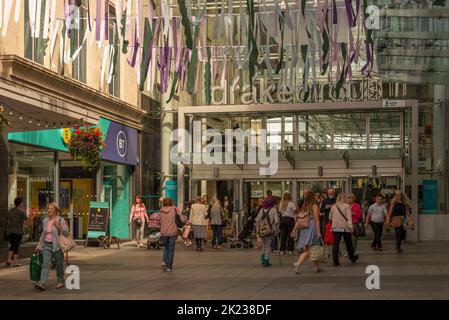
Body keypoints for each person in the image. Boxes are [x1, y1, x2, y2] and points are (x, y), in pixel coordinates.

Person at [34, 202, 69, 291]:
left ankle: (61, 281)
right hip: (46, 245)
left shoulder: (60, 220)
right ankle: (42, 283)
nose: (49, 210)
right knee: (45, 264)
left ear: (56, 211)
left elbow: (66, 232)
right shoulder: (45, 220)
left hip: (57, 246)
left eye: (51, 209)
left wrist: (58, 226)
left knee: (58, 265)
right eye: (48, 208)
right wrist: (39, 245)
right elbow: (43, 233)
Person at [292, 192, 322, 274]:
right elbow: (317, 220)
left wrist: (294, 229)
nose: (316, 197)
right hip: (311, 227)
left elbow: (299, 220)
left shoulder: (303, 207)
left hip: (303, 229)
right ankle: (298, 265)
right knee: (309, 250)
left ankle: (317, 267)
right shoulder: (314, 206)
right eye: (315, 196)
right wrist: (319, 232)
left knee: (310, 249)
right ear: (313, 197)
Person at [329, 193, 359, 266]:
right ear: (344, 198)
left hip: (335, 227)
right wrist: (351, 227)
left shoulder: (333, 206)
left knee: (335, 245)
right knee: (348, 244)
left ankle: (335, 261)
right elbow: (349, 218)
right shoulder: (347, 206)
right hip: (345, 228)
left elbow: (330, 217)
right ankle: (352, 258)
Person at [159, 197, 185, 272]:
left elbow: (159, 220)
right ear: (171, 202)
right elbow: (182, 219)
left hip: (164, 232)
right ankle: (169, 267)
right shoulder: (174, 209)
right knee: (171, 249)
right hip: (172, 232)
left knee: (166, 248)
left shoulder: (161, 210)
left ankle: (164, 262)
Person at [255, 197, 280, 267]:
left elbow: (257, 220)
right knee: (268, 245)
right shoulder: (273, 209)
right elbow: (277, 220)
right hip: (270, 230)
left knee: (264, 245)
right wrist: (276, 228)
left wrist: (258, 229)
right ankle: (266, 259)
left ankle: (263, 259)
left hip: (262, 230)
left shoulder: (262, 210)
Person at [5, 197, 28, 267]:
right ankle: (11, 261)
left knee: (13, 245)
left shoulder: (10, 210)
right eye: (22, 202)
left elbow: (8, 220)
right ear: (20, 203)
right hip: (18, 231)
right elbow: (26, 218)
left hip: (10, 231)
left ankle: (12, 261)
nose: (23, 203)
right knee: (15, 246)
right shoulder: (21, 211)